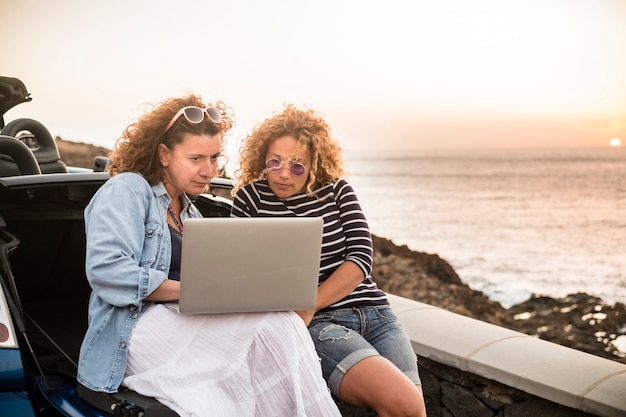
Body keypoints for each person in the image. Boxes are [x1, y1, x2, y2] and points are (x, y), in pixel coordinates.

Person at [77, 95, 341, 417]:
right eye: (196, 158)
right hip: (134, 330)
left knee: (283, 321)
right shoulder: (127, 190)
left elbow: (214, 280)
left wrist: (249, 289)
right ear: (163, 153)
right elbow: (110, 272)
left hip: (181, 318)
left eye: (215, 158)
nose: (208, 170)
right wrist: (199, 293)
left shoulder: (191, 213)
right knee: (270, 331)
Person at [232, 105, 428, 417]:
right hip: (320, 324)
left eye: (297, 166)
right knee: (403, 403)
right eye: (275, 162)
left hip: (376, 315)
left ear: (313, 164)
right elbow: (242, 270)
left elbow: (361, 257)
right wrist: (306, 310)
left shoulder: (337, 190)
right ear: (262, 158)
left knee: (411, 411)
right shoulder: (250, 199)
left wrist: (311, 302)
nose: (283, 173)